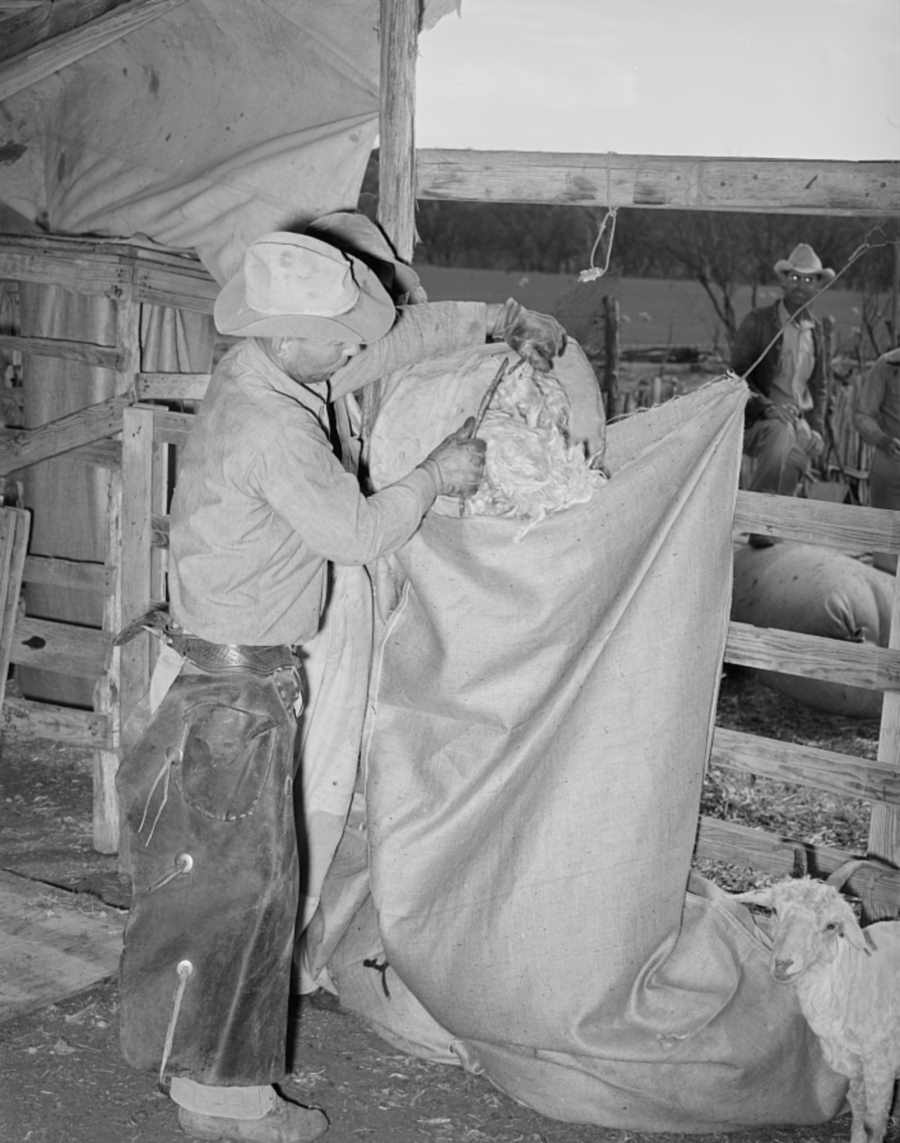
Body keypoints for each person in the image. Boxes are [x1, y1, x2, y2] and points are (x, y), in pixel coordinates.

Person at [114, 226, 567, 1143]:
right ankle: (226, 1104)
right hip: (234, 698)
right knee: (245, 899)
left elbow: (392, 341)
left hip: (225, 681)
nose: (356, 351)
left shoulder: (267, 370)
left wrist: (496, 322)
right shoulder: (273, 423)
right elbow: (358, 534)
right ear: (291, 332)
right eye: (341, 338)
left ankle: (197, 1078)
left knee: (222, 890)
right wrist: (435, 474)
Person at [731, 242, 834, 545]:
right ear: (783, 280)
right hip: (759, 418)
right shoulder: (759, 322)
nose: (801, 285)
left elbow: (821, 386)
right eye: (795, 278)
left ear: (818, 285)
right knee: (780, 435)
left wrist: (816, 427)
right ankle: (758, 521)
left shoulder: (817, 331)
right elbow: (736, 377)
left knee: (800, 453)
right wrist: (766, 407)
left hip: (798, 420)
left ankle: (774, 528)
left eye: (809, 279)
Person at [853, 344, 900, 572]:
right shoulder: (887, 365)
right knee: (885, 558)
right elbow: (863, 415)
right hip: (892, 459)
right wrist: (883, 440)